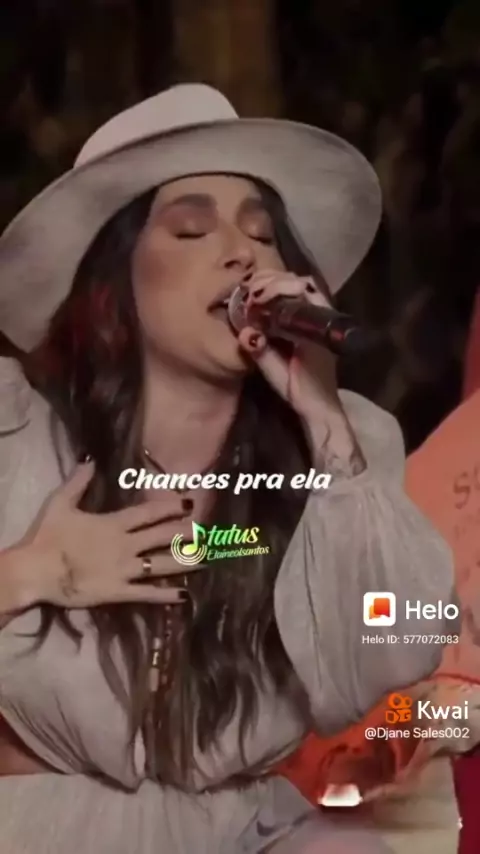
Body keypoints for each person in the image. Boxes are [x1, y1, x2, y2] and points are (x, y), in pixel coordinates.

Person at [0, 83, 457, 853]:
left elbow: (399, 645)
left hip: (243, 829)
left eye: (263, 233)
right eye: (190, 229)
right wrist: (30, 573)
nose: (244, 253)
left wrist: (323, 423)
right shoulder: (17, 435)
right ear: (113, 288)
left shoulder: (340, 449)